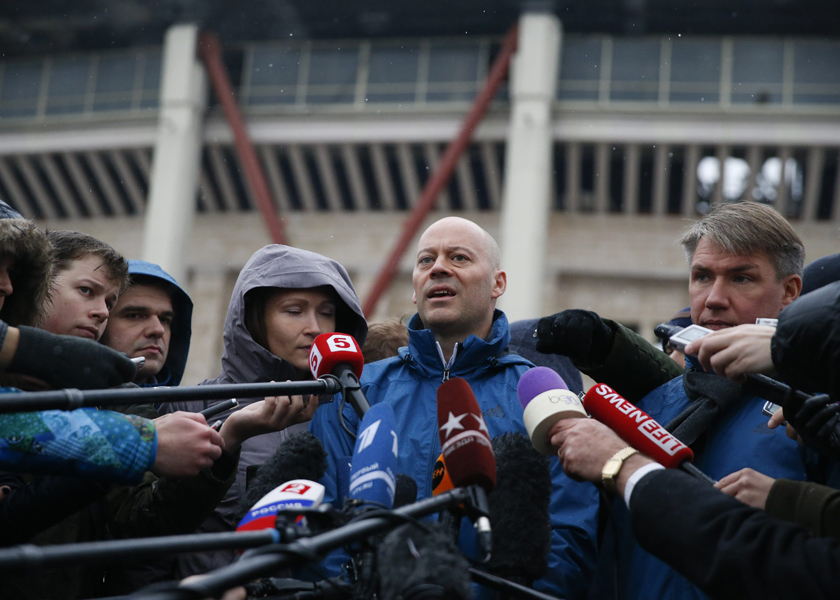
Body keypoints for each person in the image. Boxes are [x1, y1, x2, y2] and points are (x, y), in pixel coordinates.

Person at [309, 217, 598, 599]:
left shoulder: (538, 396)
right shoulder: (356, 391)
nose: (439, 267)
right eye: (426, 260)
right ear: (415, 288)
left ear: (498, 284)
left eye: (459, 257)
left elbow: (569, 537)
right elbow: (320, 523)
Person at [544, 202, 809, 600]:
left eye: (741, 278)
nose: (714, 298)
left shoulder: (813, 414)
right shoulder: (648, 407)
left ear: (789, 292)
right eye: (702, 276)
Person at [164, 244, 368, 578]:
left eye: (327, 312)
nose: (315, 327)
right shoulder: (194, 406)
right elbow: (154, 534)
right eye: (293, 311)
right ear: (254, 320)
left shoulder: (353, 412)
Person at [548, 417, 840, 600]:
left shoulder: (814, 417)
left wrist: (624, 467)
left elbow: (788, 567)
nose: (712, 312)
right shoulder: (656, 398)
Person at [100, 260, 192, 387]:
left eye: (164, 319)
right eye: (134, 315)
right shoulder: (65, 400)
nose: (158, 330)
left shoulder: (194, 406)